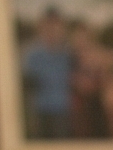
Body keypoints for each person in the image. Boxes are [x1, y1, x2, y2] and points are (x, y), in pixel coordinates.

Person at [19, 9, 75, 140]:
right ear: (41, 27)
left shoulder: (69, 53)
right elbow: (27, 84)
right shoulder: (32, 55)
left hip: (64, 111)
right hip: (40, 111)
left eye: (56, 26)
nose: (52, 30)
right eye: (48, 26)